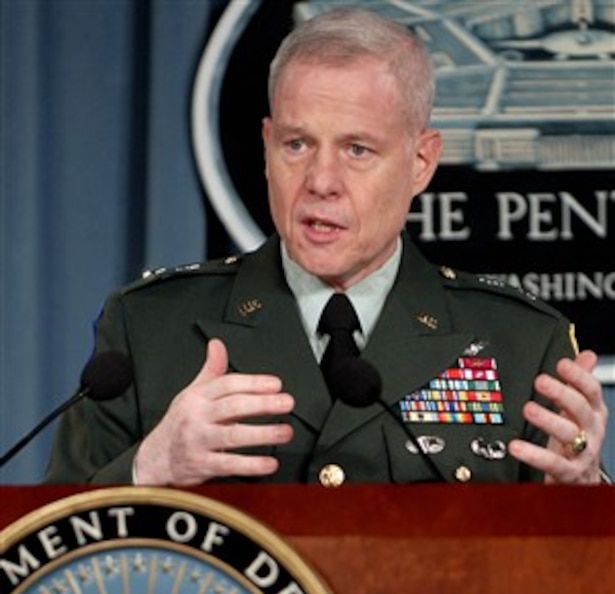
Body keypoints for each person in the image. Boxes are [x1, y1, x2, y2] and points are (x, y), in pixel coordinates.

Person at [45, 6, 609, 487]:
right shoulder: (148, 333)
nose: (321, 180)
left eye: (357, 150)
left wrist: (587, 498)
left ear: (421, 163)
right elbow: (49, 563)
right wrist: (149, 468)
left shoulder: (523, 348)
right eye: (297, 144)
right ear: (266, 148)